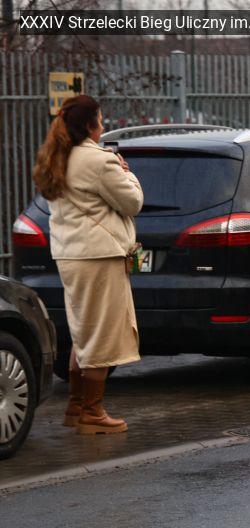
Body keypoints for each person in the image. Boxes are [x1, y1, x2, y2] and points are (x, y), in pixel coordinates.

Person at [32, 94, 143, 434]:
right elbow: (132, 202)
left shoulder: (56, 156)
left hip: (70, 255)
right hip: (99, 256)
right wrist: (128, 174)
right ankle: (92, 413)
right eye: (100, 120)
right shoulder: (98, 160)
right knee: (102, 334)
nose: (103, 125)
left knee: (83, 330)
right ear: (90, 125)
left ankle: (76, 406)